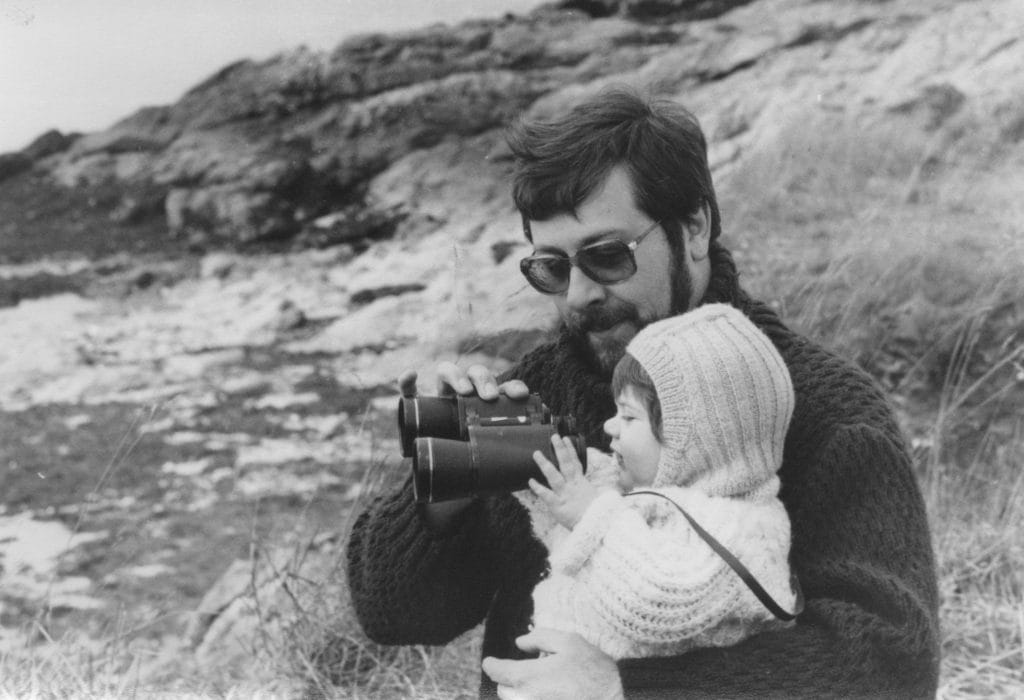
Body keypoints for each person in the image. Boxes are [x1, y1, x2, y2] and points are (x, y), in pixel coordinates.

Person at [346, 87, 940, 699]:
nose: (577, 295)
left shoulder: (825, 413)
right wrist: (444, 483)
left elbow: (893, 665)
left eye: (606, 257)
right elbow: (394, 614)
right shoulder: (547, 386)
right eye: (550, 267)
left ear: (695, 228)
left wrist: (627, 688)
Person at [519, 304, 800, 661]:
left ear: (696, 444)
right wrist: (535, 463)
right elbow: (591, 531)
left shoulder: (744, 532)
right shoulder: (649, 497)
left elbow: (657, 601)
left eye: (628, 416)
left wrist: (589, 515)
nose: (609, 426)